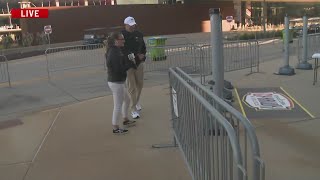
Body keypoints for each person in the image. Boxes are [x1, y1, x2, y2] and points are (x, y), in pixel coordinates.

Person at [105, 31, 136, 134]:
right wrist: (130, 63)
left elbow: (120, 65)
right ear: (115, 41)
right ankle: (115, 127)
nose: (124, 40)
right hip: (116, 82)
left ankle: (125, 119)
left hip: (118, 81)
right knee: (118, 105)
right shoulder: (114, 52)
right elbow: (119, 69)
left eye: (123, 39)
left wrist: (128, 61)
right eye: (121, 39)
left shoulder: (116, 50)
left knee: (126, 100)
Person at [122, 16, 147, 119]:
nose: (133, 27)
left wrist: (143, 55)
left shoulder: (139, 34)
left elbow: (143, 48)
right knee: (132, 87)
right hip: (128, 65)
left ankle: (136, 102)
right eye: (130, 26)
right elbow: (122, 49)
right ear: (126, 25)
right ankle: (133, 109)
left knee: (140, 84)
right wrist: (131, 55)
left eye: (134, 25)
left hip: (139, 63)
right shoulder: (121, 35)